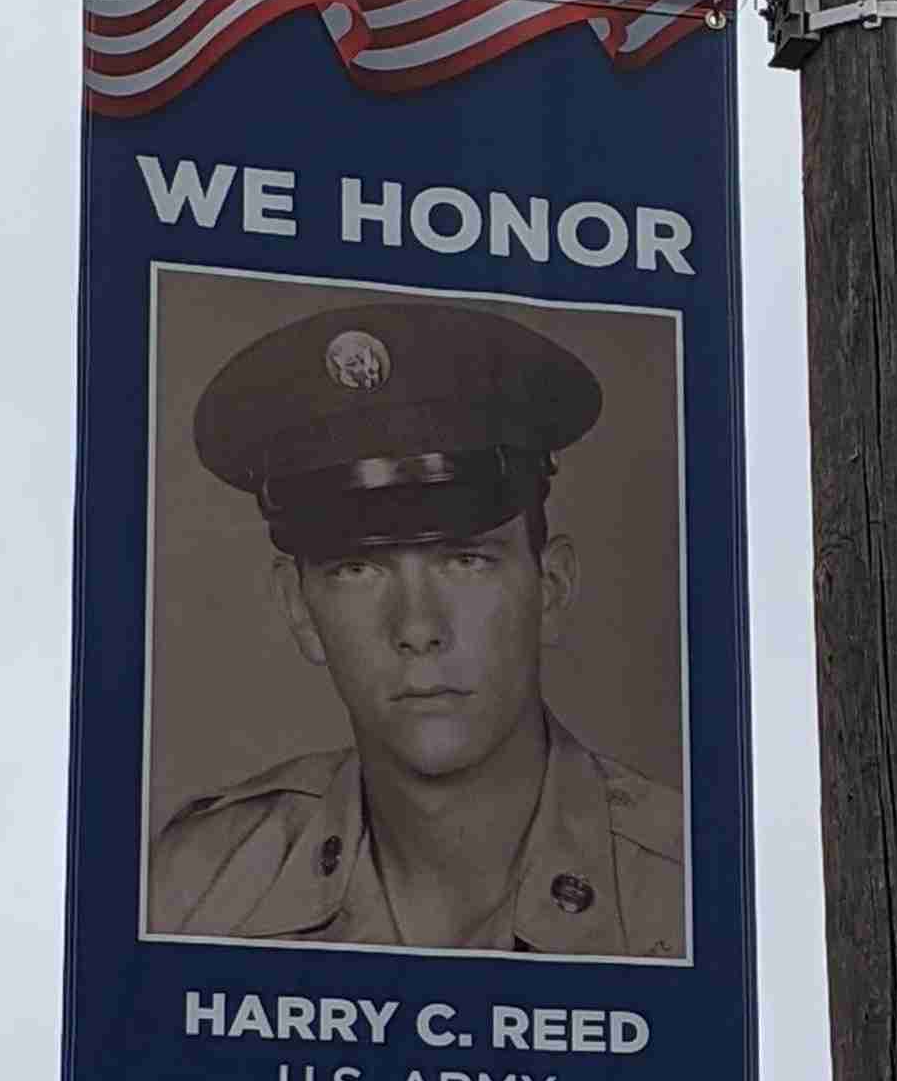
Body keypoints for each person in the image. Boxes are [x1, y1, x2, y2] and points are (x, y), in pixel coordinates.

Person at [148, 297, 685, 956]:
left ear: (550, 587)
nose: (418, 627)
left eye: (465, 560)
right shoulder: (197, 888)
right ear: (299, 608)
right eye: (358, 570)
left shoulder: (689, 892)